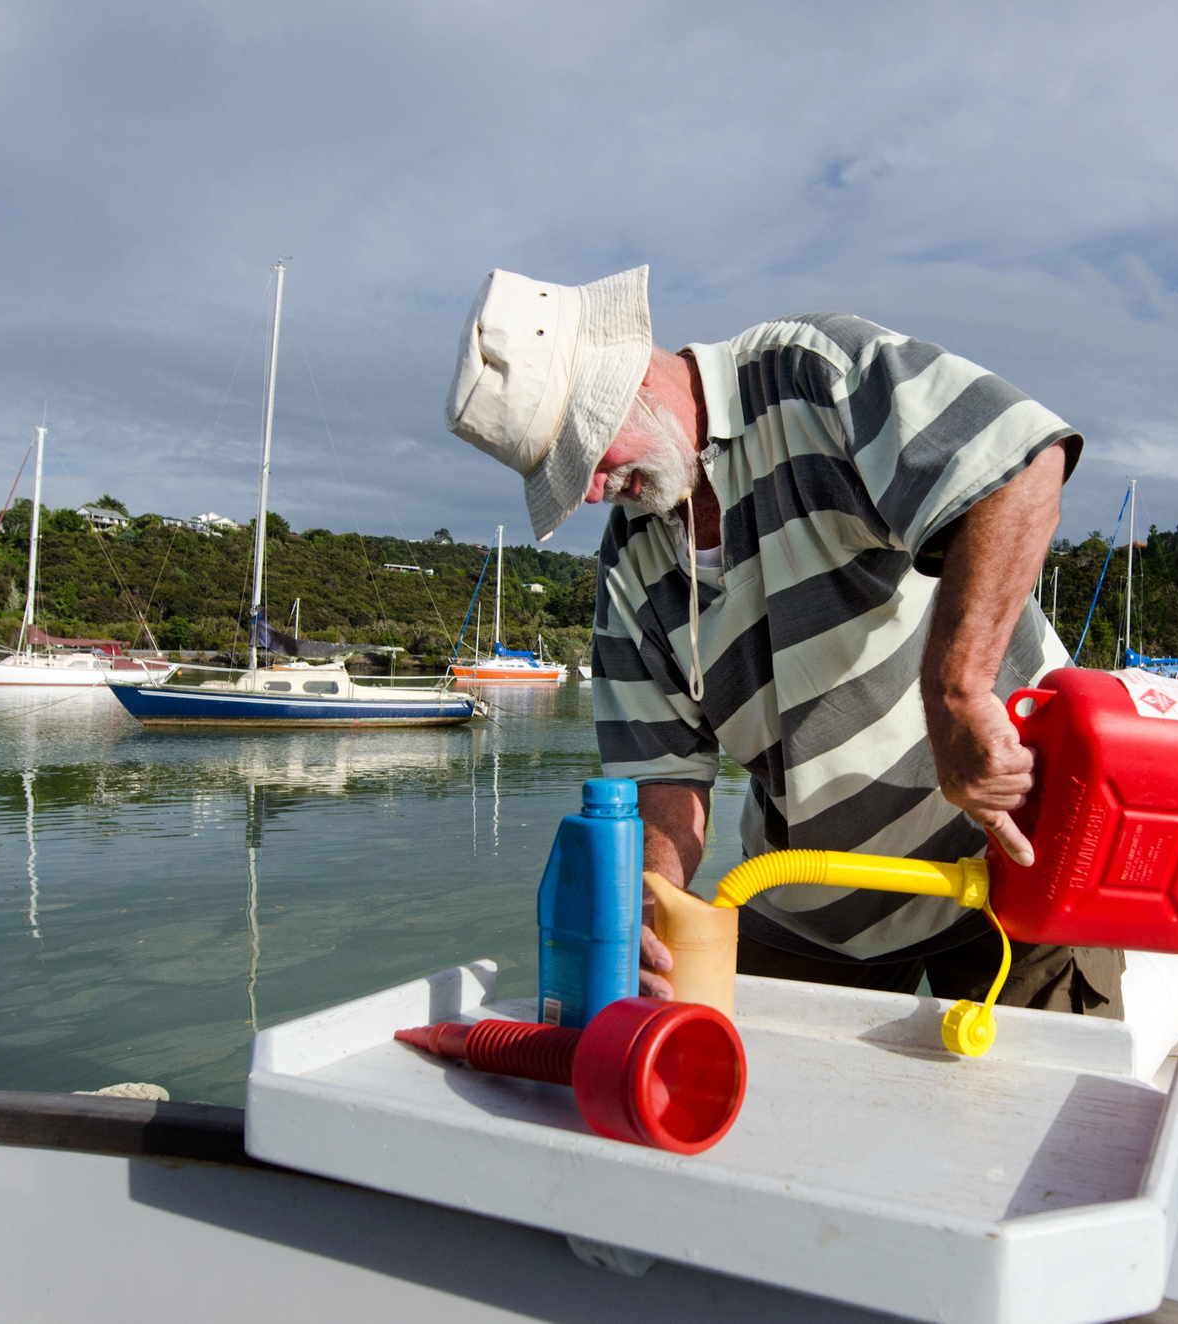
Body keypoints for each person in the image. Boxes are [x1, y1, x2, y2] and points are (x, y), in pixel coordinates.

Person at [446, 265, 1121, 1017]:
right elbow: (666, 781)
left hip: (1017, 866)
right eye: (566, 478)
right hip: (814, 905)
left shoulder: (812, 373)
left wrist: (958, 692)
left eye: (583, 455)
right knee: (765, 1117)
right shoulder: (629, 567)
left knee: (1057, 1122)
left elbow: (1019, 467)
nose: (593, 492)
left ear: (628, 378)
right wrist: (653, 896)